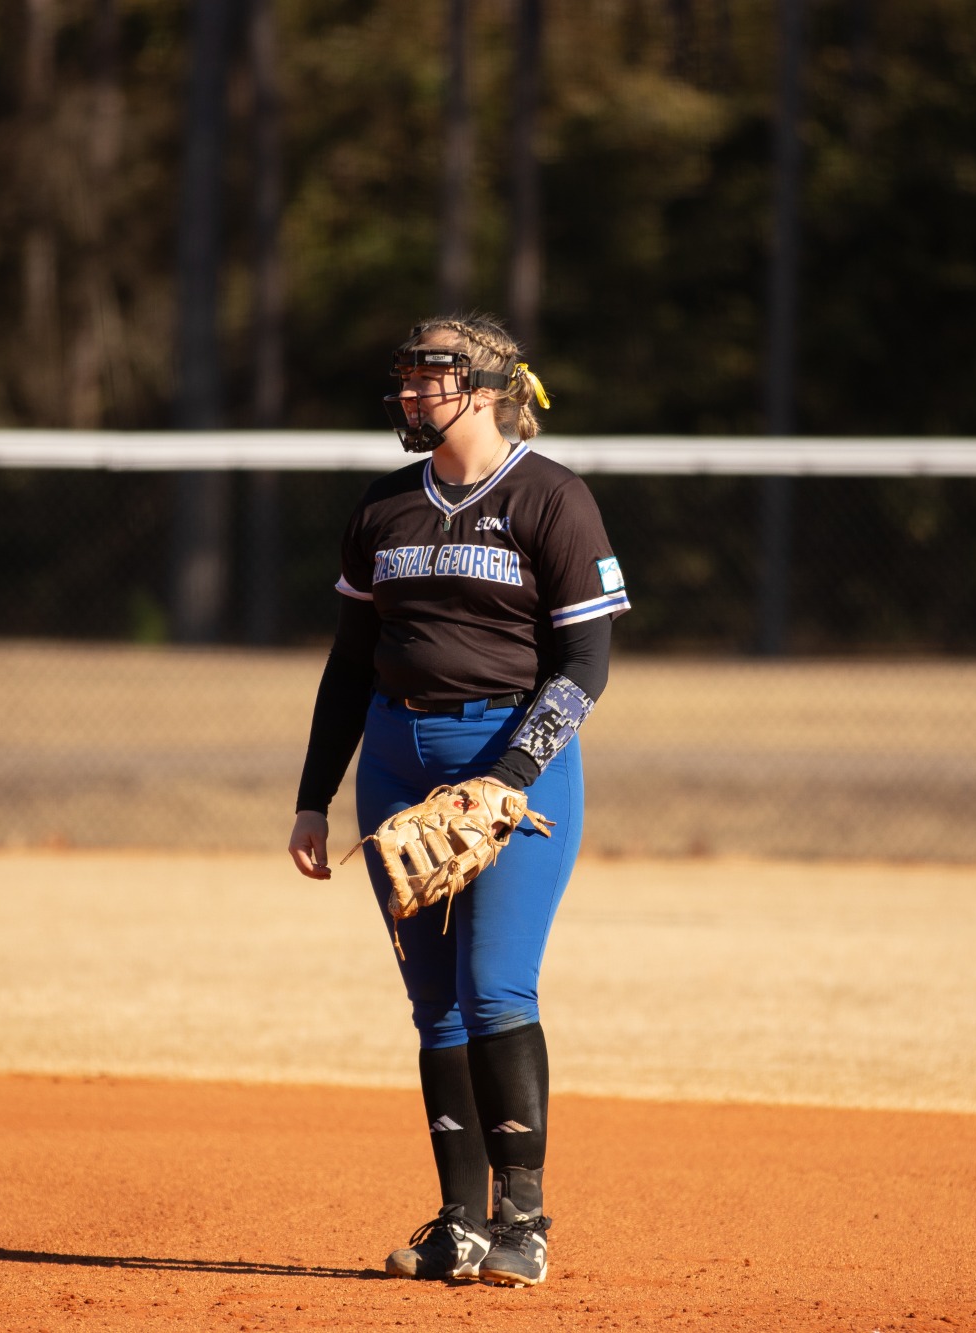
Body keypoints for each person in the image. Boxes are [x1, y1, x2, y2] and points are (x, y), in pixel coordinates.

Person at [287, 314, 628, 1287]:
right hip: (394, 760)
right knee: (432, 1005)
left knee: (493, 988)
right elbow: (349, 666)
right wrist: (314, 798)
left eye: (429, 376)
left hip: (508, 766)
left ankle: (523, 1220)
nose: (408, 392)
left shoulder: (550, 499)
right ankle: (458, 1221)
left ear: (484, 388)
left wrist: (510, 775)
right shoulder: (384, 509)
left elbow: (586, 664)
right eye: (402, 377)